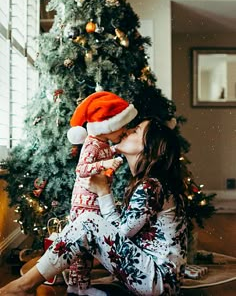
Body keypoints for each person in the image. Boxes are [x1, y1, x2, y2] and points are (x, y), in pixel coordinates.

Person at [0, 117, 187, 296]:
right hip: (156, 279)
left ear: (151, 147)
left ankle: (23, 286)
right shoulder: (152, 184)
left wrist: (103, 192)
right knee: (87, 225)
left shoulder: (152, 186)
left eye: (136, 131)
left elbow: (120, 235)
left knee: (88, 222)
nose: (127, 130)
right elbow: (121, 235)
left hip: (159, 282)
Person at [66, 91, 138, 295]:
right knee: (82, 244)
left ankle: (78, 285)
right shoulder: (91, 143)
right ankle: (81, 288)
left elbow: (107, 164)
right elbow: (81, 169)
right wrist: (105, 163)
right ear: (108, 126)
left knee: (86, 244)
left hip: (96, 198)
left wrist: (111, 163)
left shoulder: (105, 144)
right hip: (85, 201)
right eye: (121, 126)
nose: (124, 131)